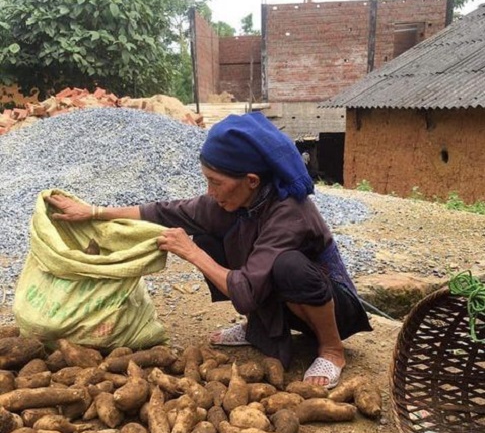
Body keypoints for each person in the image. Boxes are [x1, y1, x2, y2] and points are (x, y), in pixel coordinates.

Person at [46, 112, 372, 389]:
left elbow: (245, 292)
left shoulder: (290, 213)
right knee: (208, 238)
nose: (209, 191)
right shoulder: (233, 200)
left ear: (252, 180)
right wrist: (92, 212)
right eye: (207, 180)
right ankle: (257, 328)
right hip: (285, 304)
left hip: (331, 307)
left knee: (287, 265)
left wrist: (190, 253)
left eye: (215, 182)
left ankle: (331, 350)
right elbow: (163, 211)